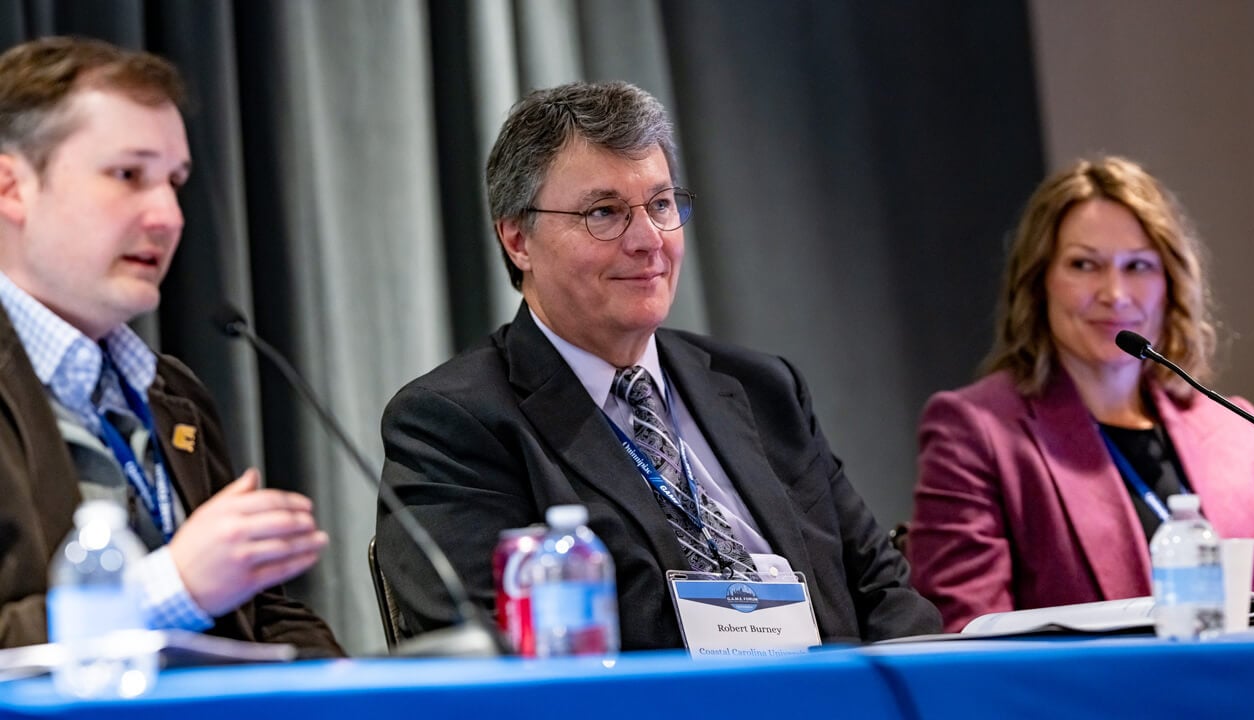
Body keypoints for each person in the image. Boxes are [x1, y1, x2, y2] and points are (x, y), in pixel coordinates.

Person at [376, 80, 940, 650]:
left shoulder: (763, 388)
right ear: (519, 239)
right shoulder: (454, 423)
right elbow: (486, 654)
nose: (649, 240)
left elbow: (882, 591)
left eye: (662, 204)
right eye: (605, 212)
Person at [0, 36, 342, 655]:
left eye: (175, 181)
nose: (169, 216)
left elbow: (262, 619)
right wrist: (172, 588)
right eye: (128, 175)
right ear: (11, 188)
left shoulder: (171, 393)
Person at [908, 156, 1254, 632]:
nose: (1115, 293)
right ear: (1039, 282)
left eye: (1139, 265)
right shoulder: (975, 431)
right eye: (1085, 264)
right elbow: (970, 633)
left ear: (1171, 284)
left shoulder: (1236, 429)